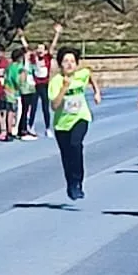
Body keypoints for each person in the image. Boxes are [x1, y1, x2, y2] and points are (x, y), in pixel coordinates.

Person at [47, 35, 101, 202]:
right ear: (60, 64)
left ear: (77, 64)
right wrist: (64, 87)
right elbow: (54, 106)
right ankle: (70, 183)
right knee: (66, 154)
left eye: (72, 61)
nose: (69, 64)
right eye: (65, 61)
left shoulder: (82, 74)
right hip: (62, 124)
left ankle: (78, 182)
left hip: (80, 117)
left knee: (76, 145)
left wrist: (97, 91)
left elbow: (90, 75)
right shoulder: (55, 82)